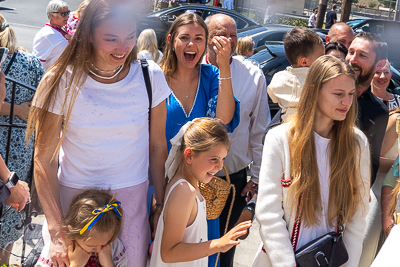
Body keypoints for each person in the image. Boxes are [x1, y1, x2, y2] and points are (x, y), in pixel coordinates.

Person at [27, 1, 170, 266]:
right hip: (73, 206)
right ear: (88, 34)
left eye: (130, 36)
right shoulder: (60, 79)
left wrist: (160, 207)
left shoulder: (151, 76)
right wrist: (57, 231)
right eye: (111, 39)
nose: (123, 48)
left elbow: (157, 147)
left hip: (132, 205)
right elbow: (43, 159)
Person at [252, 55, 370, 267]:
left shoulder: (356, 143)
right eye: (338, 94)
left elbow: (357, 217)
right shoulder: (280, 139)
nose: (347, 102)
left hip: (330, 260)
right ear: (314, 91)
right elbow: (268, 214)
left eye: (351, 94)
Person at [204, 14, 270, 267]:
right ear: (207, 37)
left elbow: (259, 131)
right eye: (222, 34)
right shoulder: (191, 69)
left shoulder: (253, 75)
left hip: (235, 179)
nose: (229, 40)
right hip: (190, 178)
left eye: (233, 35)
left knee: (226, 251)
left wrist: (256, 178)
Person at [150, 118, 251, 267]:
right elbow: (168, 252)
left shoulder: (191, 184)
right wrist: (218, 244)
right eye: (213, 159)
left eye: (223, 158)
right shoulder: (184, 191)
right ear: (189, 155)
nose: (219, 166)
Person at [0, 13, 44, 264]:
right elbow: (41, 107)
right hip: (19, 154)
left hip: (8, 158)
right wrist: (17, 109)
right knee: (11, 226)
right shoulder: (31, 62)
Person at [161, 12, 238, 151]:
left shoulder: (211, 75)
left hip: (198, 171)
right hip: (159, 169)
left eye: (198, 38)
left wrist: (224, 65)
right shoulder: (156, 77)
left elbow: (224, 119)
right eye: (184, 37)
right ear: (171, 40)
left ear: (205, 43)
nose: (191, 44)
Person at [345, 32, 389, 267]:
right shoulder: (322, 93)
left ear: (379, 64)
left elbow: (369, 168)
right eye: (351, 51)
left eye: (362, 55)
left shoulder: (379, 112)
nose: (352, 59)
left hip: (348, 209)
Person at [36, 189, 127, 267]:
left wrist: (108, 263)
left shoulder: (113, 247)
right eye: (91, 246)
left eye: (104, 244)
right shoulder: (59, 250)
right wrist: (76, 265)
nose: (99, 250)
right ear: (72, 230)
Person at [268, 26, 325, 122]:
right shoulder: (320, 80)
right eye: (321, 57)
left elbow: (273, 97)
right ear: (304, 62)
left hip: (285, 129)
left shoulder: (279, 78)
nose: (324, 61)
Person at [32, 0, 70, 71]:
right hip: (51, 79)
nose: (67, 16)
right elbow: (36, 63)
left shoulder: (63, 28)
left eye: (68, 12)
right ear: (52, 15)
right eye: (63, 14)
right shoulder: (46, 35)